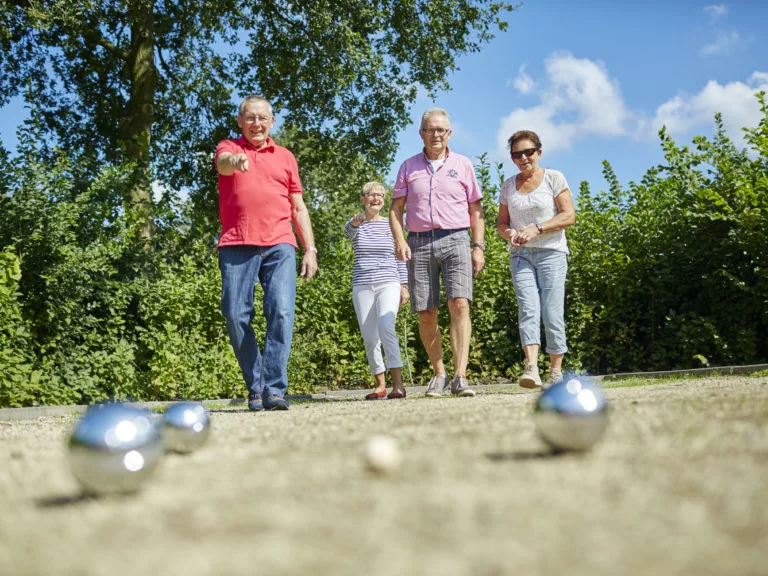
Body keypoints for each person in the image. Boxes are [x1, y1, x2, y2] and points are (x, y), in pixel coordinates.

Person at [215, 95, 318, 411]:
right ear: (240, 121)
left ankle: (274, 389)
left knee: (282, 312)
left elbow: (298, 206)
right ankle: (256, 384)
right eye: (250, 118)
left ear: (271, 122)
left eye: (263, 118)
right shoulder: (228, 148)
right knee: (235, 314)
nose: (256, 123)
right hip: (236, 243)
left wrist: (310, 248)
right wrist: (235, 162)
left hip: (279, 243)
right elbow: (222, 164)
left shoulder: (285, 156)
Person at [389, 108, 485, 398]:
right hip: (418, 242)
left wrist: (478, 247)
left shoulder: (463, 164)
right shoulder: (408, 167)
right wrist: (399, 240)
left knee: (460, 303)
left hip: (456, 238)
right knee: (426, 312)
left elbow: (476, 210)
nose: (436, 134)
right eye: (430, 129)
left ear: (449, 133)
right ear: (421, 133)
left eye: (441, 129)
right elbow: (395, 209)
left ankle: (460, 376)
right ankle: (439, 374)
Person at [496, 130, 576, 388]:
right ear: (512, 158)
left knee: (552, 311)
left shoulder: (554, 178)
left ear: (538, 152)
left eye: (528, 152)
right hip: (521, 256)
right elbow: (501, 223)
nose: (523, 157)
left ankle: (555, 370)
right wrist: (509, 232)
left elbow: (568, 216)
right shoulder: (508, 186)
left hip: (551, 253)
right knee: (528, 308)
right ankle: (531, 368)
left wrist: (537, 228)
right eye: (517, 154)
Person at [345, 182, 410, 400]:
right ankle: (380, 385)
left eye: (380, 195)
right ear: (362, 199)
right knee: (370, 337)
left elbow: (400, 255)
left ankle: (398, 384)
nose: (376, 199)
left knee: (386, 327)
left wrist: (404, 285)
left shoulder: (392, 225)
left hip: (388, 282)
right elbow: (348, 232)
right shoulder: (356, 224)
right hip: (362, 285)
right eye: (371, 195)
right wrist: (355, 224)